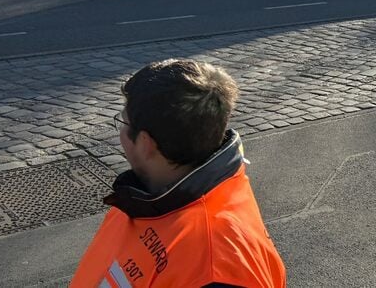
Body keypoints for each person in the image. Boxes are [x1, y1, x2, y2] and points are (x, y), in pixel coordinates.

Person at [71, 60, 286, 287]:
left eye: (123, 122)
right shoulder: (147, 196)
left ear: (146, 144)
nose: (120, 132)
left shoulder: (214, 270)